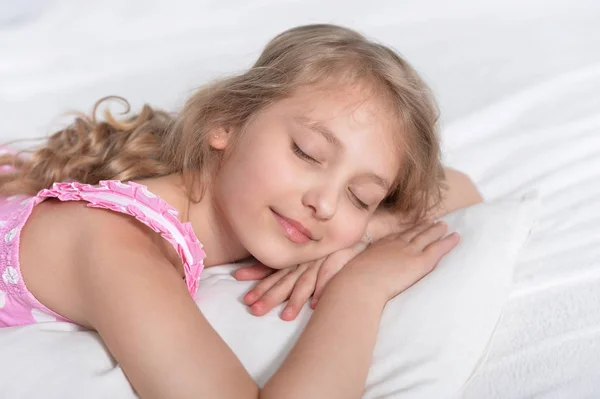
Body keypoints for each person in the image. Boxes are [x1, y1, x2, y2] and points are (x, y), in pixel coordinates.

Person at [0, 24, 482, 398]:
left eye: (361, 196)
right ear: (226, 122)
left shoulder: (176, 208)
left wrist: (357, 234)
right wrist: (361, 287)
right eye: (308, 153)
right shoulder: (119, 245)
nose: (326, 203)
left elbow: (461, 190)